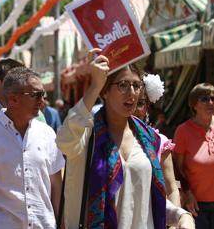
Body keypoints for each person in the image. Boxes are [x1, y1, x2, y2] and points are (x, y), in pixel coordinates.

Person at [56, 49, 194, 229]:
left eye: (136, 86)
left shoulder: (150, 139)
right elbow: (64, 140)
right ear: (105, 91)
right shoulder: (85, 135)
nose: (131, 93)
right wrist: (94, 86)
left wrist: (181, 216)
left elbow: (148, 202)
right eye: (122, 85)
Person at [0, 67, 65, 228]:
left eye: (43, 94)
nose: (42, 100)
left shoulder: (48, 134)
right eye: (35, 95)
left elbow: (57, 188)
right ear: (13, 99)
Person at [133, 73, 181, 208]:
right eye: (130, 102)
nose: (134, 109)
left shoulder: (159, 142)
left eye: (140, 103)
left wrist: (174, 223)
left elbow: (172, 188)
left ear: (147, 106)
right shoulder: (107, 137)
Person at [173, 83, 214, 228]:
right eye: (204, 99)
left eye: (213, 98)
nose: (210, 102)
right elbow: (177, 168)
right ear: (194, 104)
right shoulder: (183, 131)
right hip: (196, 206)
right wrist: (187, 192)